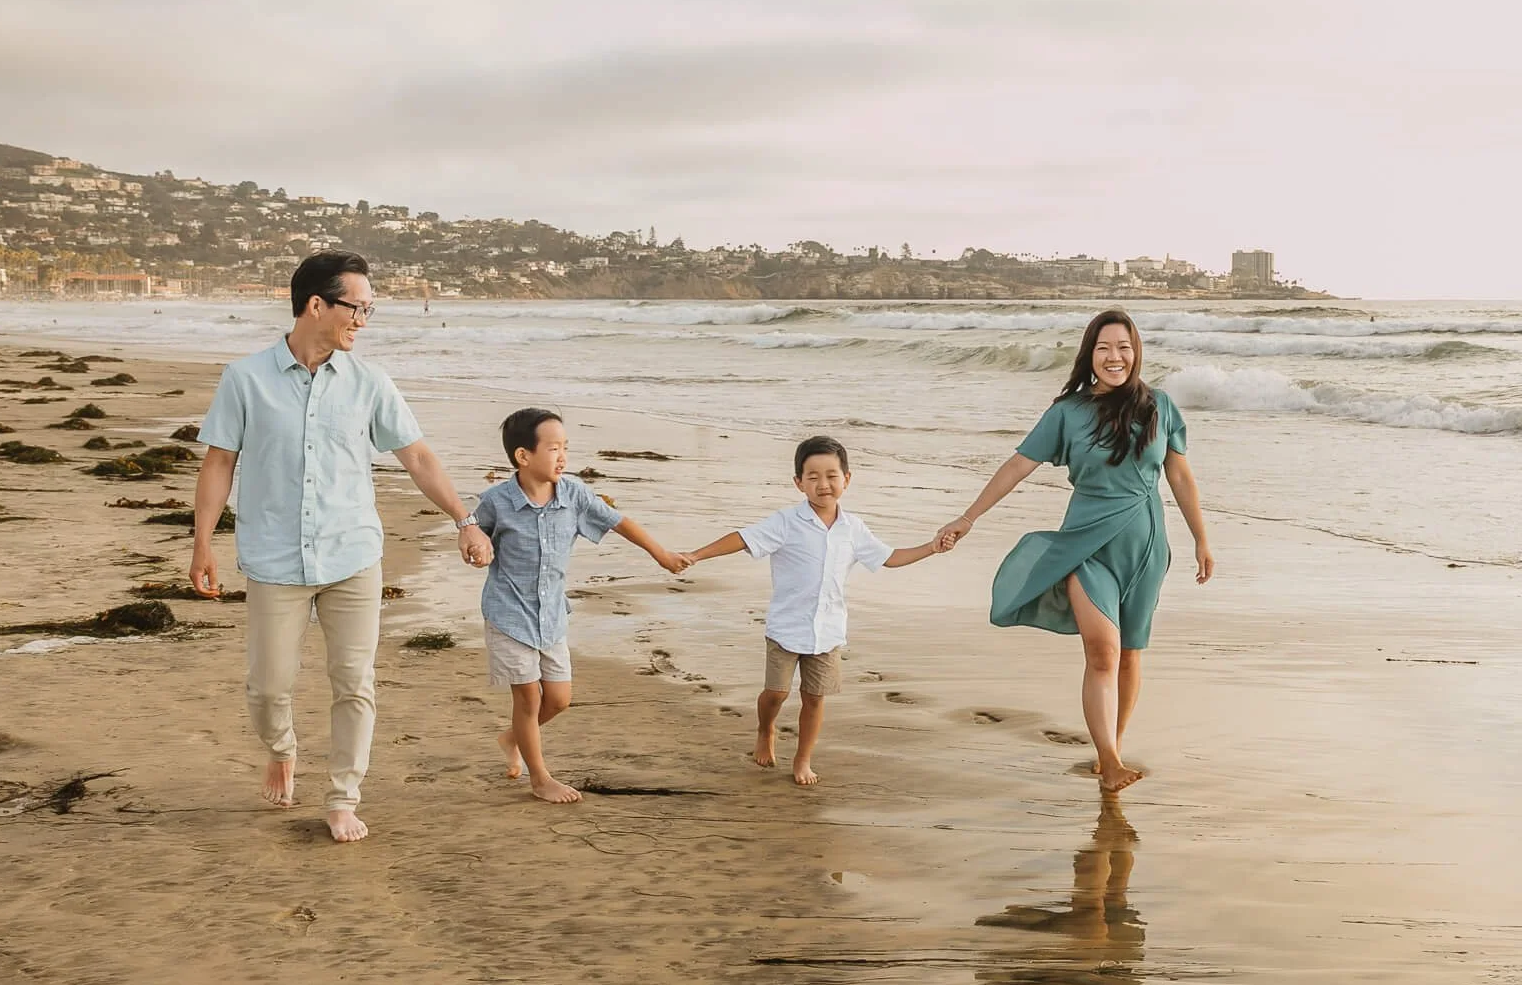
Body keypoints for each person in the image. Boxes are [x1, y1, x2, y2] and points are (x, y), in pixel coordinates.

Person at [189, 252, 491, 842]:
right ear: (317, 305)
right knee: (268, 685)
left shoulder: (370, 383)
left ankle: (342, 798)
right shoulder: (244, 379)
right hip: (274, 558)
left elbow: (419, 457)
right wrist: (203, 543)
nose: (365, 320)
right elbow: (220, 461)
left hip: (352, 555)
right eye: (358, 307)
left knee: (355, 681)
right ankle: (281, 748)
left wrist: (464, 519)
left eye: (370, 309)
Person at [936, 309, 1213, 793]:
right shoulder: (1067, 411)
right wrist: (968, 516)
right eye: (1105, 347)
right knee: (1102, 652)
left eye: (1124, 347)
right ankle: (1108, 761)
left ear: (1136, 351)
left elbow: (1180, 475)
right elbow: (1018, 465)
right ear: (1090, 354)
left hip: (1146, 547)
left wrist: (1201, 539)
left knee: (1129, 654)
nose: (1115, 357)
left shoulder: (1160, 407)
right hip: (1086, 544)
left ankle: (1113, 750)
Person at [680, 434, 948, 786]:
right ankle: (766, 729)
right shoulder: (785, 522)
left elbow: (890, 558)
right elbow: (743, 538)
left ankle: (803, 759)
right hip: (786, 627)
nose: (824, 484)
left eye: (832, 475)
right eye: (813, 477)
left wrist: (931, 546)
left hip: (829, 631)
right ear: (798, 483)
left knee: (815, 698)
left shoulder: (854, 528)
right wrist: (696, 555)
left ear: (847, 479)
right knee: (775, 693)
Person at [465, 407, 690, 804]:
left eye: (565, 447)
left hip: (551, 614)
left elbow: (619, 521)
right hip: (508, 612)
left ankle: (513, 737)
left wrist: (660, 553)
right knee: (528, 697)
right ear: (523, 456)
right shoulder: (496, 502)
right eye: (554, 448)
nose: (563, 456)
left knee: (559, 699)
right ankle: (540, 778)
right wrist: (475, 548)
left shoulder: (574, 494)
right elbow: (471, 531)